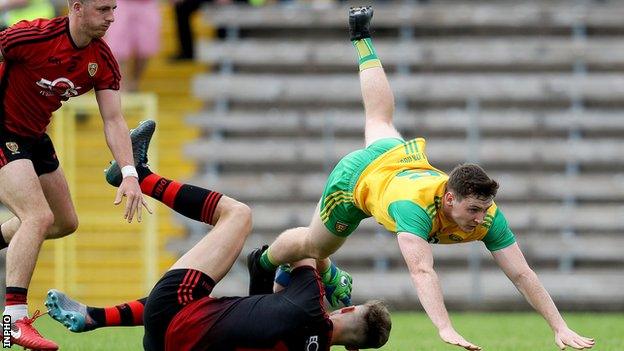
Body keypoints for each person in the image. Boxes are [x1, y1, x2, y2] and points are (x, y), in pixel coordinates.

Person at [247, 6, 596, 351]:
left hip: (397, 159)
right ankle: (263, 263)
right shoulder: (415, 211)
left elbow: (522, 275)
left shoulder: (487, 215)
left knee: (379, 119)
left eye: (483, 209)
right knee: (314, 247)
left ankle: (361, 36)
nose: (480, 218)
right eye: (473, 209)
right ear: (449, 199)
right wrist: (445, 327)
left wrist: (559, 326)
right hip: (356, 182)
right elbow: (422, 271)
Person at [44, 120, 392, 351]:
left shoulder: (310, 303)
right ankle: (94, 317)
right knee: (208, 305)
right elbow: (265, 302)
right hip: (166, 344)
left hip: (173, 315)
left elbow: (301, 242)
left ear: (348, 311)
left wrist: (327, 272)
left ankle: (138, 175)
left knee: (238, 216)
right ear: (352, 347)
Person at [0, 0, 149, 348]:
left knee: (64, 221)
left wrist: (129, 173)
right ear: (76, 7)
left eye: (113, 8)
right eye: (102, 9)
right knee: (37, 216)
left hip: (34, 136)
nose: (112, 17)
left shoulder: (102, 60)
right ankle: (13, 320)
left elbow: (113, 119)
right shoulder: (32, 36)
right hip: (3, 131)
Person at [104, 0, 161, 91]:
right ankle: (122, 85)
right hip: (121, 4)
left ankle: (134, 82)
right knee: (118, 48)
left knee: (145, 48)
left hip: (146, 4)